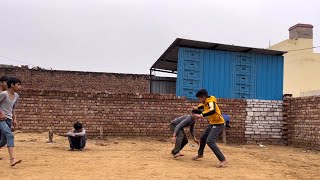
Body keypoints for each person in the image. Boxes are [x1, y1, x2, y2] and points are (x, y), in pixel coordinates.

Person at [192, 89, 228, 168]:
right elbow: (202, 106)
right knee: (203, 138)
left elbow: (212, 110)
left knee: (210, 141)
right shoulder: (206, 102)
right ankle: (200, 154)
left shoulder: (211, 102)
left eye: (199, 98)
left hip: (218, 123)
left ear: (203, 97)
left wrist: (201, 115)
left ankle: (223, 159)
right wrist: (196, 108)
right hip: (213, 123)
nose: (199, 100)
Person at [0, 77, 22, 166]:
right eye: (18, 84)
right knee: (10, 135)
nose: (20, 87)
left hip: (8, 119)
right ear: (12, 85)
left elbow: (13, 108)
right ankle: (12, 159)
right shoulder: (3, 94)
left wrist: (14, 118)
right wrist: (1, 113)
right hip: (1, 119)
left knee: (4, 141)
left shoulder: (16, 96)